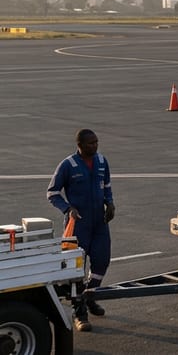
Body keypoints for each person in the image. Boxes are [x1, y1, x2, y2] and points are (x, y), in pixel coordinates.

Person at [47, 128, 115, 332]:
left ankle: (90, 297)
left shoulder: (102, 161)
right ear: (80, 145)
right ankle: (80, 312)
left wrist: (110, 203)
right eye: (90, 143)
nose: (94, 146)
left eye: (96, 142)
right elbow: (52, 193)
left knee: (102, 261)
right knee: (76, 269)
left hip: (100, 223)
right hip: (78, 225)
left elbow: (107, 185)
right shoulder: (68, 165)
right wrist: (68, 208)